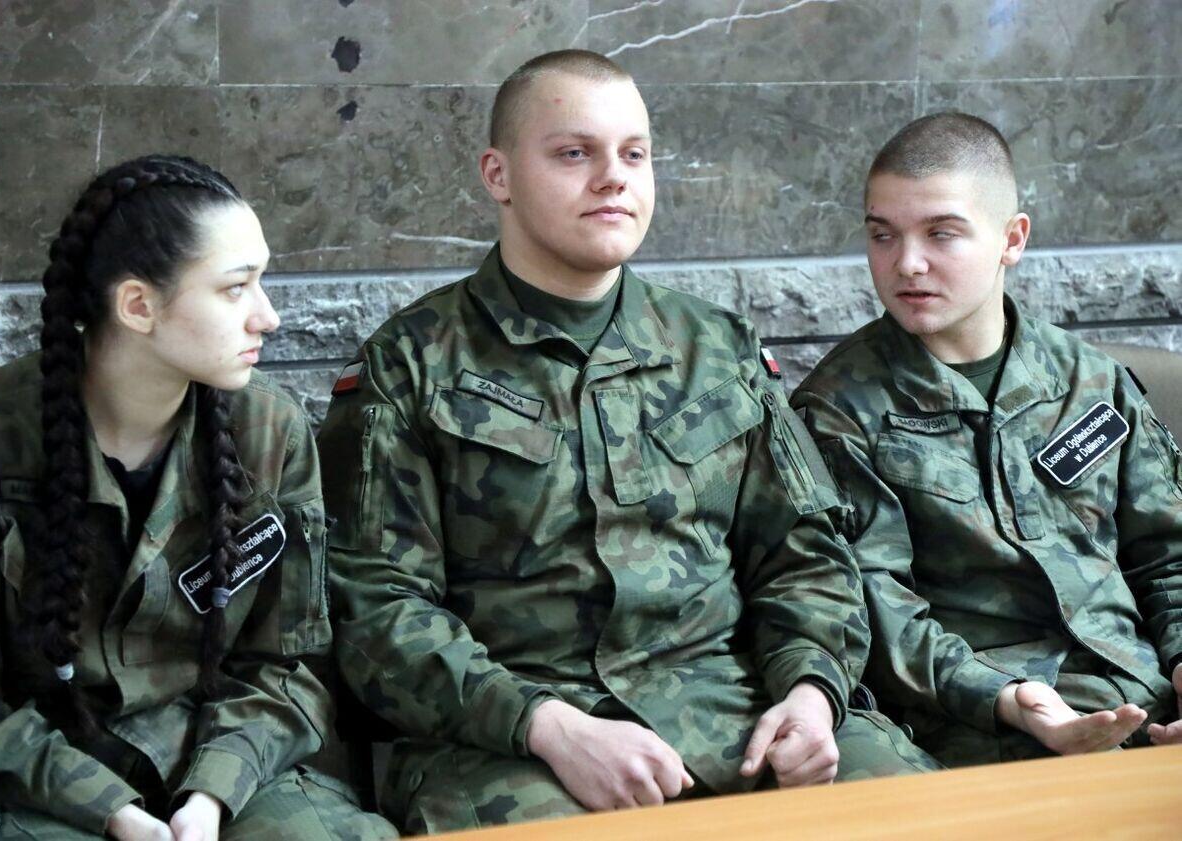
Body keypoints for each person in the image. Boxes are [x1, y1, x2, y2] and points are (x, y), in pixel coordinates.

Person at [318, 50, 937, 835]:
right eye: (575, 153)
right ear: (498, 175)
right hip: (508, 744)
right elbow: (376, 611)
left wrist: (811, 693)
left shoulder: (718, 347)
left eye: (634, 154)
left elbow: (805, 552)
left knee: (937, 815)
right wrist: (546, 725)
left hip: (737, 708)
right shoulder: (412, 363)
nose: (614, 178)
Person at [0, 155, 396, 840]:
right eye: (235, 289)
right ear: (138, 306)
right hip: (34, 781)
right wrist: (113, 811)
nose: (268, 316)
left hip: (225, 759)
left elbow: (288, 665)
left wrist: (212, 795)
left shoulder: (269, 430)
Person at [791, 112, 1182, 768]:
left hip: (1147, 691)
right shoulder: (839, 410)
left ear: (1012, 239)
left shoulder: (1090, 381)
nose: (906, 263)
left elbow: (1166, 554)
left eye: (940, 233)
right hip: (985, 728)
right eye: (883, 235)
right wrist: (1008, 699)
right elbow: (873, 609)